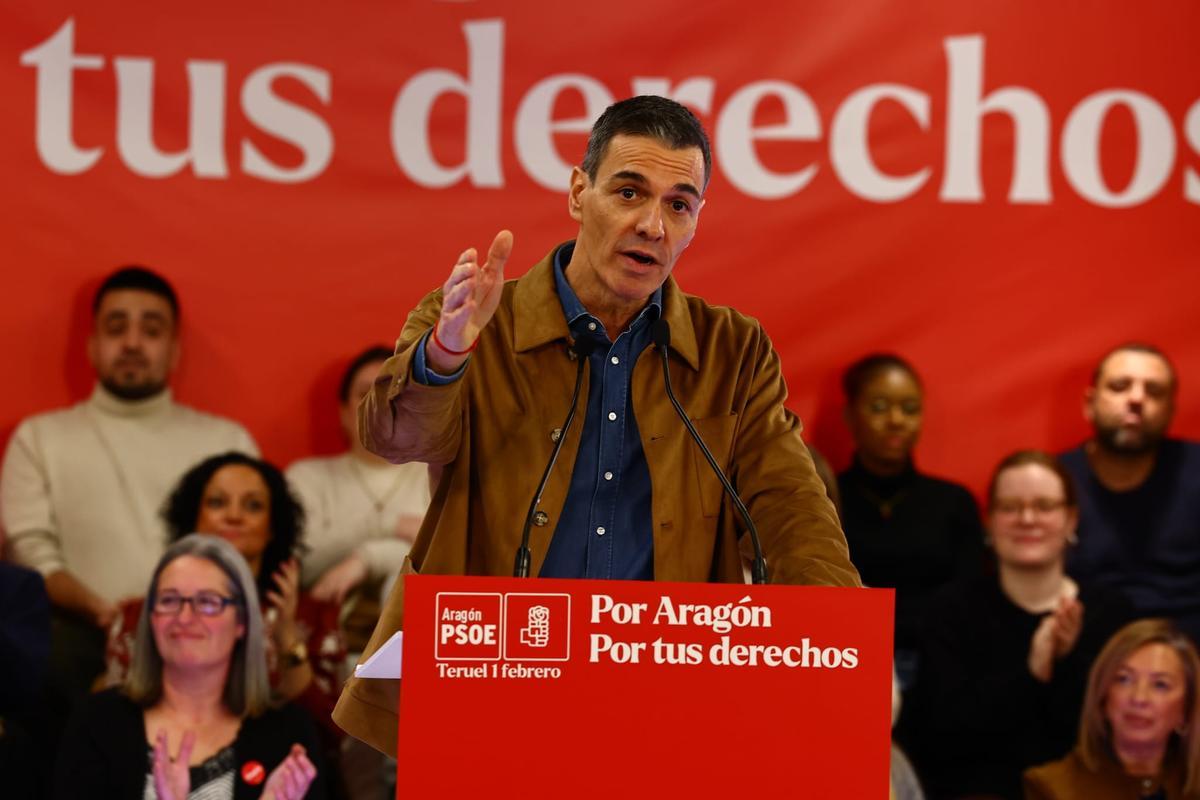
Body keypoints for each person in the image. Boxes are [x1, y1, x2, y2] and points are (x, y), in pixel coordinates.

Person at [334, 95, 860, 753]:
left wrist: (838, 642)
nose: (652, 225)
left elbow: (793, 510)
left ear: (697, 221)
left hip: (664, 695)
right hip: (494, 681)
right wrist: (445, 354)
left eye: (678, 204)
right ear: (579, 193)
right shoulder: (473, 318)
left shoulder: (733, 350)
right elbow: (395, 437)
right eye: (629, 192)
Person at [0, 266, 258, 703]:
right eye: (116, 328)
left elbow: (252, 553)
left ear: (174, 351)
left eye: (151, 330)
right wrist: (107, 616)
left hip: (207, 652)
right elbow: (29, 550)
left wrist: (181, 619)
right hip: (78, 651)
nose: (133, 343)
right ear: (92, 346)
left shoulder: (227, 443)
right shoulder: (40, 438)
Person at [901, 450, 1132, 799]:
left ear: (1071, 519)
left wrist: (1067, 662)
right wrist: (1031, 673)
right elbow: (937, 740)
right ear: (989, 521)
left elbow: (1114, 739)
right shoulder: (949, 612)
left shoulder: (1111, 614)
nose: (1027, 519)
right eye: (1010, 507)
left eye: (1044, 506)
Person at [104, 453, 346, 780]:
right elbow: (114, 727)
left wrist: (287, 639)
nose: (233, 516)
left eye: (253, 506)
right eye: (217, 503)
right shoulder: (141, 614)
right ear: (193, 517)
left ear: (273, 527)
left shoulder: (313, 616)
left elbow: (330, 738)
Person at [56, 534, 323, 798]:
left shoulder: (288, 732)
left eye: (207, 602)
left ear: (242, 622)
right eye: (169, 600)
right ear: (151, 618)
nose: (184, 618)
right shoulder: (98, 722)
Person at [836, 353, 984, 687]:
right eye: (879, 407)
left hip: (936, 665)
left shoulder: (953, 502)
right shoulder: (823, 500)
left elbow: (968, 598)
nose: (896, 420)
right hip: (845, 660)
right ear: (850, 415)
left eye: (910, 408)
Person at [1061, 343, 1200, 643]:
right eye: (1120, 386)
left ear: (1171, 410)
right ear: (1089, 403)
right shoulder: (1054, 483)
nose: (1136, 399)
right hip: (1084, 653)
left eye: (1154, 391)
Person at [286, 346, 431, 608]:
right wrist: (392, 525)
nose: (379, 404)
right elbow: (300, 565)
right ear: (343, 412)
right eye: (365, 394)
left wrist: (366, 560)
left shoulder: (437, 476)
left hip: (417, 629)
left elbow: (446, 562)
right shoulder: (307, 478)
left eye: (393, 392)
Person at [1024, 618, 1200, 799]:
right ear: (1103, 696)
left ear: (1186, 709)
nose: (1139, 698)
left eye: (1160, 685)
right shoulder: (1051, 789)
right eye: (1123, 679)